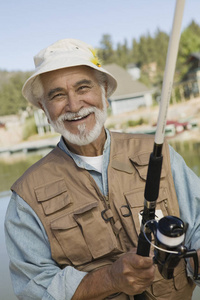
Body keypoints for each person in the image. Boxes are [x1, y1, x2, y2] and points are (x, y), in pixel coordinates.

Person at [4, 38, 200, 300]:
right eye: (57, 95)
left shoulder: (161, 153)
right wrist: (109, 279)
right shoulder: (25, 197)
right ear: (43, 107)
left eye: (83, 87)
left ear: (104, 89)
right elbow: (33, 287)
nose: (74, 105)